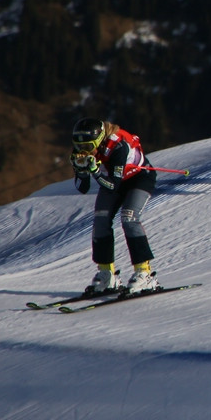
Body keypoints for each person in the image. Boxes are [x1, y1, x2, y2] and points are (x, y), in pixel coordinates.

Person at [70, 118, 160, 295]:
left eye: (88, 146)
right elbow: (83, 188)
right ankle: (106, 274)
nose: (83, 150)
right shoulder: (82, 149)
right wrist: (81, 171)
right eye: (79, 146)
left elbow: (113, 185)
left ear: (99, 139)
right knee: (100, 221)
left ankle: (144, 273)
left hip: (138, 178)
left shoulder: (118, 146)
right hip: (111, 181)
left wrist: (95, 171)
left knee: (129, 218)